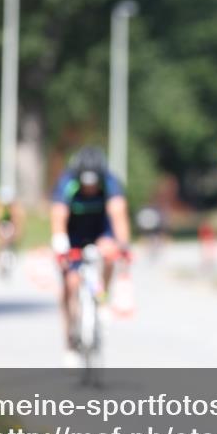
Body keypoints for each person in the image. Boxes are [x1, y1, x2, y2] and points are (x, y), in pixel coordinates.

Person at [50, 147, 132, 364]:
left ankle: (102, 297)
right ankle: (70, 340)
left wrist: (122, 246)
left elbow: (118, 214)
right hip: (73, 233)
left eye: (93, 183)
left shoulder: (110, 182)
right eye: (85, 183)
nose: (89, 187)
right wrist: (60, 246)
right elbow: (58, 216)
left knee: (108, 254)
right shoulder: (67, 182)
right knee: (71, 283)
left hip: (100, 230)